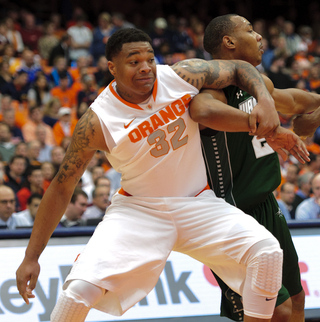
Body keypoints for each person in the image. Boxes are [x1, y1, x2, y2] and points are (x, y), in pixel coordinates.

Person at [16, 28, 306, 322]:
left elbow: (239, 68)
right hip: (140, 211)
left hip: (198, 203)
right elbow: (62, 187)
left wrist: (266, 102)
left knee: (267, 250)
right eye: (133, 61)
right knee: (78, 293)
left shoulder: (182, 76)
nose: (145, 67)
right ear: (112, 68)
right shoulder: (97, 120)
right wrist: (31, 257)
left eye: (149, 59)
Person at [190, 14, 320, 322]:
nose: (259, 36)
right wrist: (269, 129)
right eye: (250, 30)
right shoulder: (212, 89)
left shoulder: (261, 85)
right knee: (276, 312)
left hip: (267, 205)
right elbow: (203, 111)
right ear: (229, 42)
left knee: (297, 302)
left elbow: (296, 103)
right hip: (230, 215)